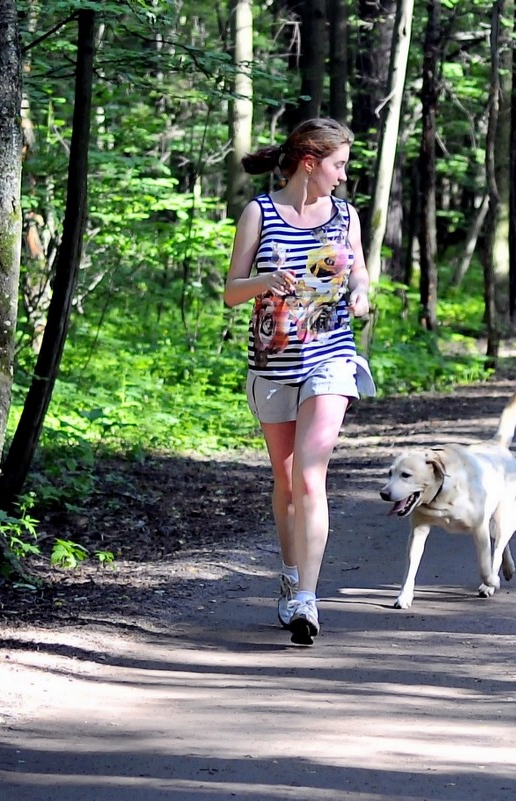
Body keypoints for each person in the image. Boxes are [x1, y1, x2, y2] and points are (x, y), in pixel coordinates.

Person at [223, 118, 375, 646]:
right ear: (310, 163)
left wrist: (361, 291)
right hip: (273, 362)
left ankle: (308, 598)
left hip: (331, 356)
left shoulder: (344, 215)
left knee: (312, 475)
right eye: (338, 166)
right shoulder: (259, 214)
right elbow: (231, 293)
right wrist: (263, 281)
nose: (342, 177)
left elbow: (358, 271)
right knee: (286, 481)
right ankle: (289, 576)